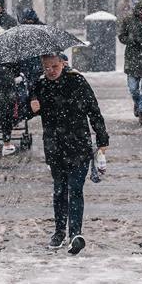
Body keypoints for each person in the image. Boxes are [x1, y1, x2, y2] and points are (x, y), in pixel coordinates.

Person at [30, 53, 109, 254]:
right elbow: (25, 111)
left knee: (75, 189)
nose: (51, 71)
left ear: (62, 63)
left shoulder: (77, 80)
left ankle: (75, 233)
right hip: (54, 146)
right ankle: (59, 232)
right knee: (59, 190)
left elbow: (93, 109)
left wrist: (102, 139)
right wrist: (31, 107)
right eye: (46, 67)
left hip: (78, 144)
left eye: (54, 66)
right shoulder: (39, 85)